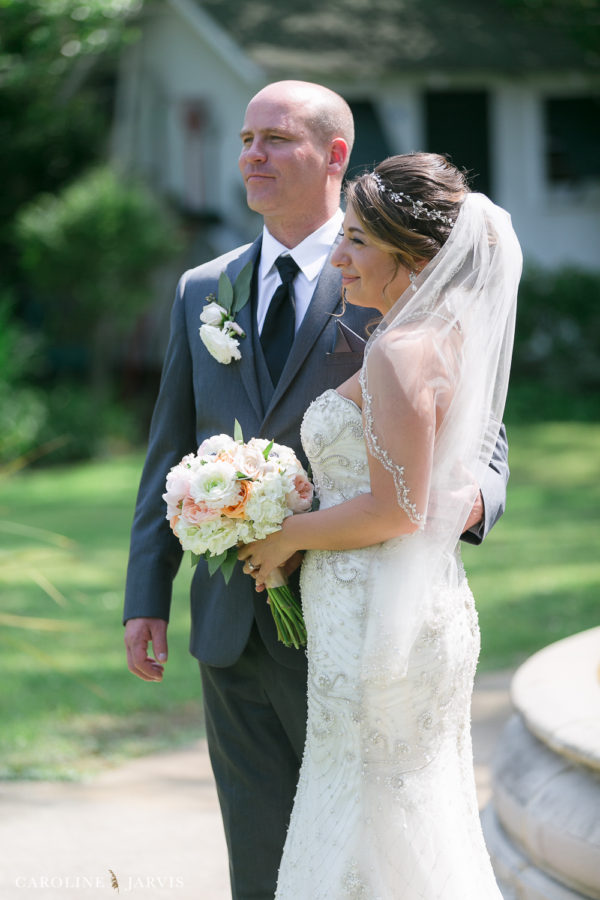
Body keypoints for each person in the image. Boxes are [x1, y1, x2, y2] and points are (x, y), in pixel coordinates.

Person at [123, 81, 509, 900]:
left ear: (335, 155)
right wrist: (144, 595)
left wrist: (460, 512)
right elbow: (169, 448)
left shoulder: (394, 273)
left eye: (276, 139)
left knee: (363, 847)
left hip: (357, 620)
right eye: (245, 138)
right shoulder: (204, 290)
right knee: (265, 857)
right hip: (230, 618)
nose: (252, 156)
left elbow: (478, 435)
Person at [238, 153, 521, 898]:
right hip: (412, 604)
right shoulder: (446, 340)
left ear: (414, 255)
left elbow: (399, 510)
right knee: (404, 808)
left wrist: (286, 537)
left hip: (376, 618)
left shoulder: (399, 350)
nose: (339, 257)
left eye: (357, 241)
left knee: (368, 806)